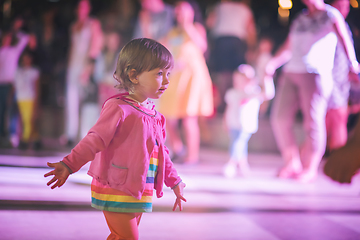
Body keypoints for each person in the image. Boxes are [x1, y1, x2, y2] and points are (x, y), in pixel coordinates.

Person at [44, 38, 186, 240]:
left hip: (139, 189)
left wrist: (174, 181)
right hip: (116, 187)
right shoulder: (119, 108)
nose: (166, 81)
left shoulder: (155, 115)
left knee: (120, 236)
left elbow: (161, 153)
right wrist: (69, 164)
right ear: (134, 75)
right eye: (159, 73)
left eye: (168, 73)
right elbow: (94, 140)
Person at [265, 0, 360, 183]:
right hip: (292, 71)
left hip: (316, 73)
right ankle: (291, 162)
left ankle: (310, 168)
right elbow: (289, 46)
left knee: (313, 122)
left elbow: (344, 41)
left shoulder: (331, 15)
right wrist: (273, 63)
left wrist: (352, 65)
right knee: (279, 118)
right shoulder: (301, 18)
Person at [158, 1, 214, 164]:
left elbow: (202, 46)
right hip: (175, 78)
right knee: (166, 116)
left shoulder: (197, 28)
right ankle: (177, 148)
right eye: (178, 10)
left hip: (193, 78)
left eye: (183, 10)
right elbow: (160, 47)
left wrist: (187, 25)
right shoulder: (172, 32)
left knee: (190, 118)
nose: (180, 13)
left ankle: (192, 156)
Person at [223, 64, 275, 178]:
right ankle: (243, 165)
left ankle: (231, 164)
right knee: (239, 144)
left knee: (238, 142)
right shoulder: (233, 93)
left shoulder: (254, 93)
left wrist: (267, 78)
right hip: (233, 124)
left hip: (246, 125)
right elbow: (228, 108)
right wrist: (225, 121)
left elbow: (269, 94)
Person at [64, 0, 103, 147]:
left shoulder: (93, 24)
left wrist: (88, 68)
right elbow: (72, 47)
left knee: (86, 102)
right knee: (71, 100)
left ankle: (85, 135)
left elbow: (95, 46)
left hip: (85, 66)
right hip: (73, 66)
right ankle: (70, 134)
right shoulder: (74, 26)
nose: (82, 9)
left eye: (84, 6)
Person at [206, 0, 257, 113]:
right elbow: (251, 30)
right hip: (237, 42)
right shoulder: (244, 9)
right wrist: (251, 48)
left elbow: (210, 22)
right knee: (237, 74)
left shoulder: (219, 6)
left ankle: (223, 106)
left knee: (222, 74)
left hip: (221, 42)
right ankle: (234, 106)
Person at [325, 0, 358, 153]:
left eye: (346, 7)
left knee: (337, 118)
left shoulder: (344, 26)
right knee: (332, 118)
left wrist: (351, 71)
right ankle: (335, 157)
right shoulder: (327, 23)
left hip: (340, 81)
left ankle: (336, 156)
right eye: (339, 6)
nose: (343, 10)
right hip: (327, 79)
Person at [0, 18, 33, 148]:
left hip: (11, 85)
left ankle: (12, 135)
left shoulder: (13, 51)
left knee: (13, 110)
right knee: (1, 110)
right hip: (1, 84)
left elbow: (24, 39)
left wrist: (15, 29)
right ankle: (2, 134)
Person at [14, 50, 41, 150]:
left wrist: (37, 101)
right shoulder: (18, 71)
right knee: (23, 120)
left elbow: (36, 87)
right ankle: (34, 139)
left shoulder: (34, 71)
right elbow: (15, 85)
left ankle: (26, 140)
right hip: (20, 98)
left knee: (29, 120)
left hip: (30, 98)